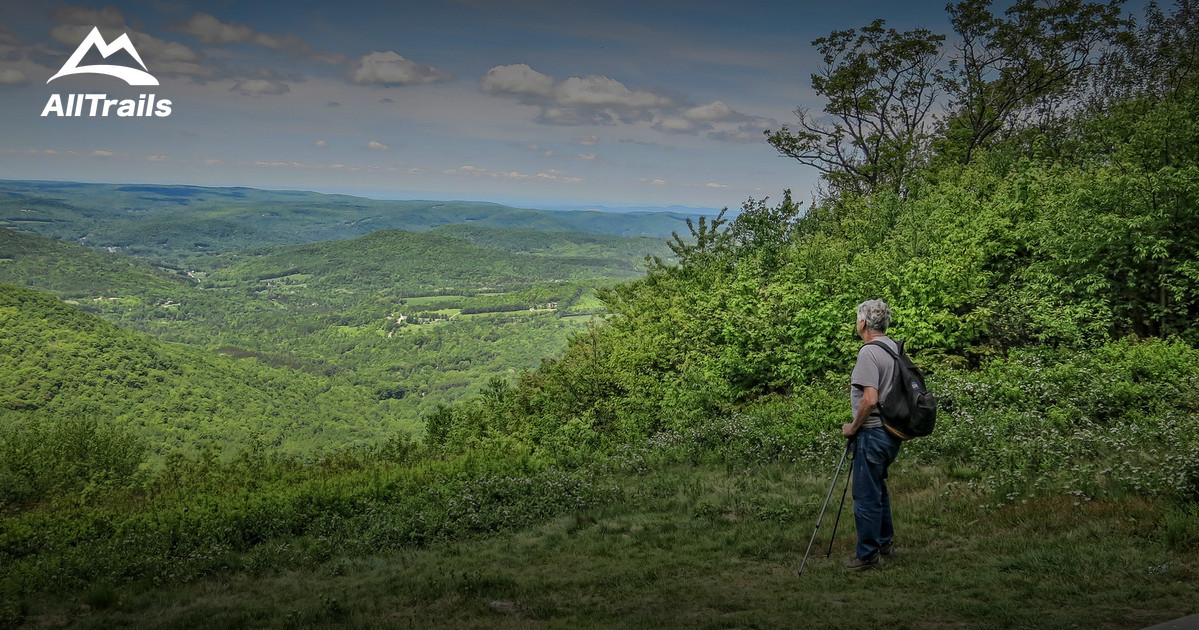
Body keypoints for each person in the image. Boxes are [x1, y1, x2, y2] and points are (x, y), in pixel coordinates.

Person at [841, 299, 903, 571]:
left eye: (857, 319)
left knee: (866, 493)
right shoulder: (892, 348)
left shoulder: (868, 352)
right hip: (891, 432)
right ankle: (885, 542)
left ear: (863, 322)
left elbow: (869, 399)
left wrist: (853, 427)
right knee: (879, 488)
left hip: (872, 432)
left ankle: (867, 554)